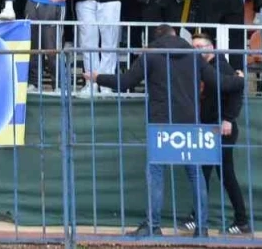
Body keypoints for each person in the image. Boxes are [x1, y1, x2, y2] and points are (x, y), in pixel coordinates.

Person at [90, 24, 235, 237]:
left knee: (156, 173)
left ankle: (153, 225)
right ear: (175, 35)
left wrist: (97, 77)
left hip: (161, 122)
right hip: (189, 121)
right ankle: (202, 228)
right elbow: (219, 82)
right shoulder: (193, 56)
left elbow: (125, 82)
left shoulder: (151, 55)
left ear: (154, 38)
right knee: (195, 174)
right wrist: (239, 79)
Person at [186, 32, 251, 235]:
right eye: (193, 47)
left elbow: (236, 92)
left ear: (211, 48)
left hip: (222, 129)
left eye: (200, 47)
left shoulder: (222, 67)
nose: (196, 51)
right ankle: (201, 217)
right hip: (207, 128)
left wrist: (228, 118)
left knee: (219, 174)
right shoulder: (199, 67)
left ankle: (237, 220)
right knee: (211, 173)